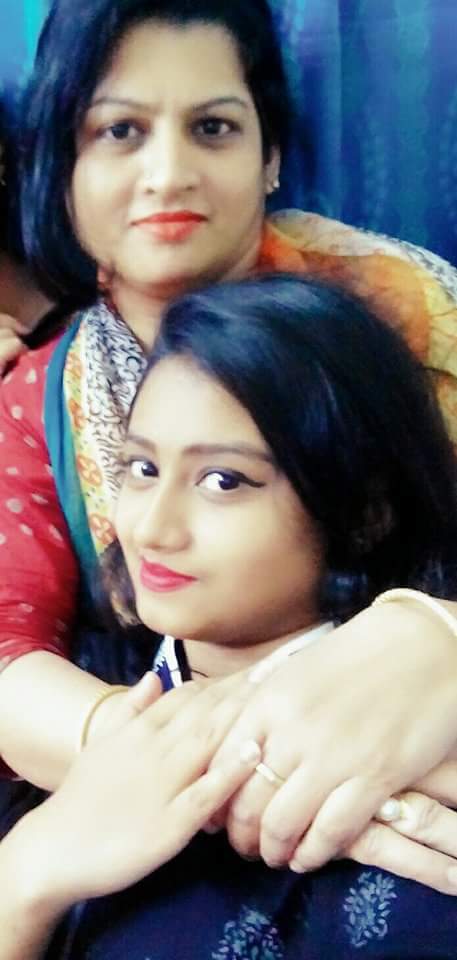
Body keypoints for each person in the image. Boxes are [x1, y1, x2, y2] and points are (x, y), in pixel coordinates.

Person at [0, 0, 457, 886]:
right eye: (120, 131)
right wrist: (203, 758)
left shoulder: (413, 320)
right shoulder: (39, 400)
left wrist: (437, 638)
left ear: (270, 154)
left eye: (212, 127)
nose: (168, 173)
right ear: (62, 166)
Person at [3, 273, 457, 960]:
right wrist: (24, 878)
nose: (152, 529)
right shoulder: (82, 689)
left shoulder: (421, 763)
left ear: (365, 513)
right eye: (141, 468)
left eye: (223, 480)